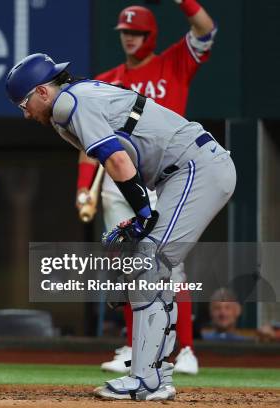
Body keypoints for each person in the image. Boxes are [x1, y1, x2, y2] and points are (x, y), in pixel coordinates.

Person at [5, 53, 235, 400]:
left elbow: (117, 159)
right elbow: (116, 155)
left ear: (41, 91)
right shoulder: (71, 104)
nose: (24, 113)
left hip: (195, 167)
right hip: (183, 172)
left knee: (146, 262)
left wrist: (143, 214)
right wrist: (141, 215)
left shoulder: (68, 103)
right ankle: (156, 374)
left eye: (24, 103)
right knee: (148, 264)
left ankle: (147, 379)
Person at [76, 0, 217, 376]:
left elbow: (205, 31)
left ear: (150, 34)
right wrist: (83, 188)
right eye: (125, 32)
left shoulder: (172, 63)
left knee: (170, 264)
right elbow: (89, 145)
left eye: (136, 32)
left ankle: (185, 349)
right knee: (126, 263)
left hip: (162, 176)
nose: (130, 39)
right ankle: (131, 344)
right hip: (117, 184)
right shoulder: (106, 81)